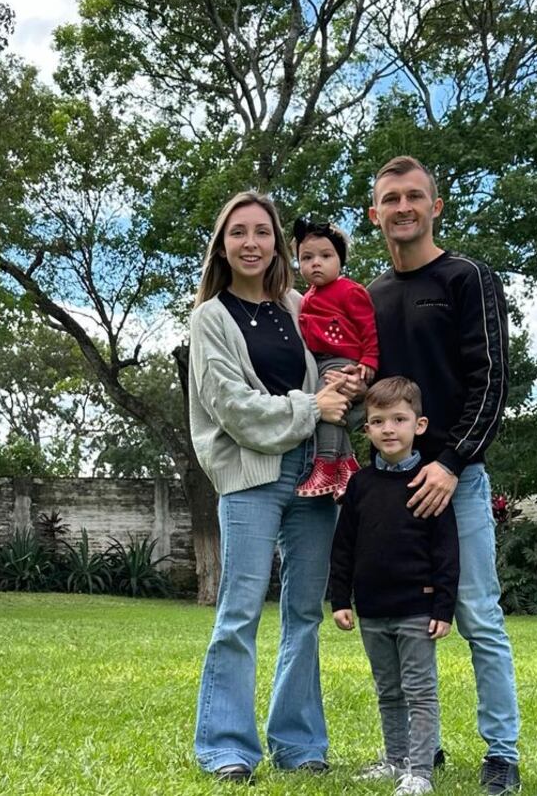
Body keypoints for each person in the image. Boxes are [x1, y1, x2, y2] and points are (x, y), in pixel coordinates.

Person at [331, 156, 520, 794]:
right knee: (395, 619)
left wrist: (450, 461)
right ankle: (419, 750)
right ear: (374, 213)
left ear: (435, 207)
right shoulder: (371, 296)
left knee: (476, 615)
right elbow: (374, 387)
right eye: (391, 198)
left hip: (456, 481)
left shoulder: (467, 278)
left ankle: (502, 753)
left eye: (415, 196)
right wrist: (351, 388)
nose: (403, 207)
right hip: (388, 488)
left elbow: (491, 379)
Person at [188, 191, 350, 783]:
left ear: (277, 242)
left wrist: (346, 377)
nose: (251, 242)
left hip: (314, 471)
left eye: (262, 231)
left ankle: (300, 744)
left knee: (304, 612)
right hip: (250, 475)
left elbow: (338, 361)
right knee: (239, 612)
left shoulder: (299, 304)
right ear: (223, 245)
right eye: (238, 233)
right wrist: (313, 404)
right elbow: (232, 406)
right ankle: (227, 748)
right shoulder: (211, 316)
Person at [330, 377, 459, 796]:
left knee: (420, 692)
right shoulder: (359, 485)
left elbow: (445, 552)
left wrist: (443, 607)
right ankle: (395, 760)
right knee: (388, 691)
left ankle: (420, 771)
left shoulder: (429, 482)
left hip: (417, 610)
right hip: (371, 609)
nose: (389, 429)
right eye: (378, 421)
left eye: (399, 419)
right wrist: (339, 598)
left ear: (418, 425)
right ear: (365, 429)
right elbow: (344, 546)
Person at [292, 217, 379, 499]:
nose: (316, 263)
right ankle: (348, 465)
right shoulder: (306, 298)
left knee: (324, 408)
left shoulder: (349, 291)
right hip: (319, 362)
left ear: (339, 260)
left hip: (343, 361)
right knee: (331, 410)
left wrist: (369, 361)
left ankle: (327, 464)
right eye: (307, 257)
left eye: (325, 256)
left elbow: (368, 329)